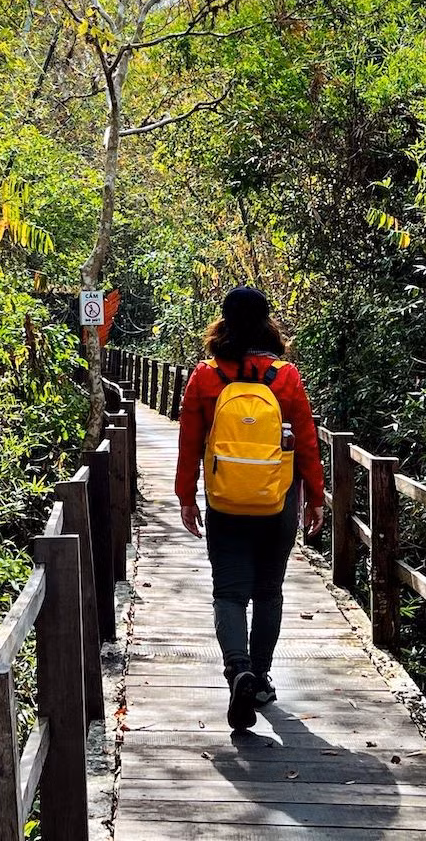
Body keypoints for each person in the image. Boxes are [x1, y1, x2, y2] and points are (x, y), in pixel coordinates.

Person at [175, 285, 325, 730]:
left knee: (229, 592)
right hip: (278, 501)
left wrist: (187, 496)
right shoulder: (286, 377)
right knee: (269, 592)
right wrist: (315, 497)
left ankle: (236, 668)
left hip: (225, 501)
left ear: (223, 321)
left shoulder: (206, 377)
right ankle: (259, 678)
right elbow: (307, 445)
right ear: (266, 323)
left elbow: (189, 443)